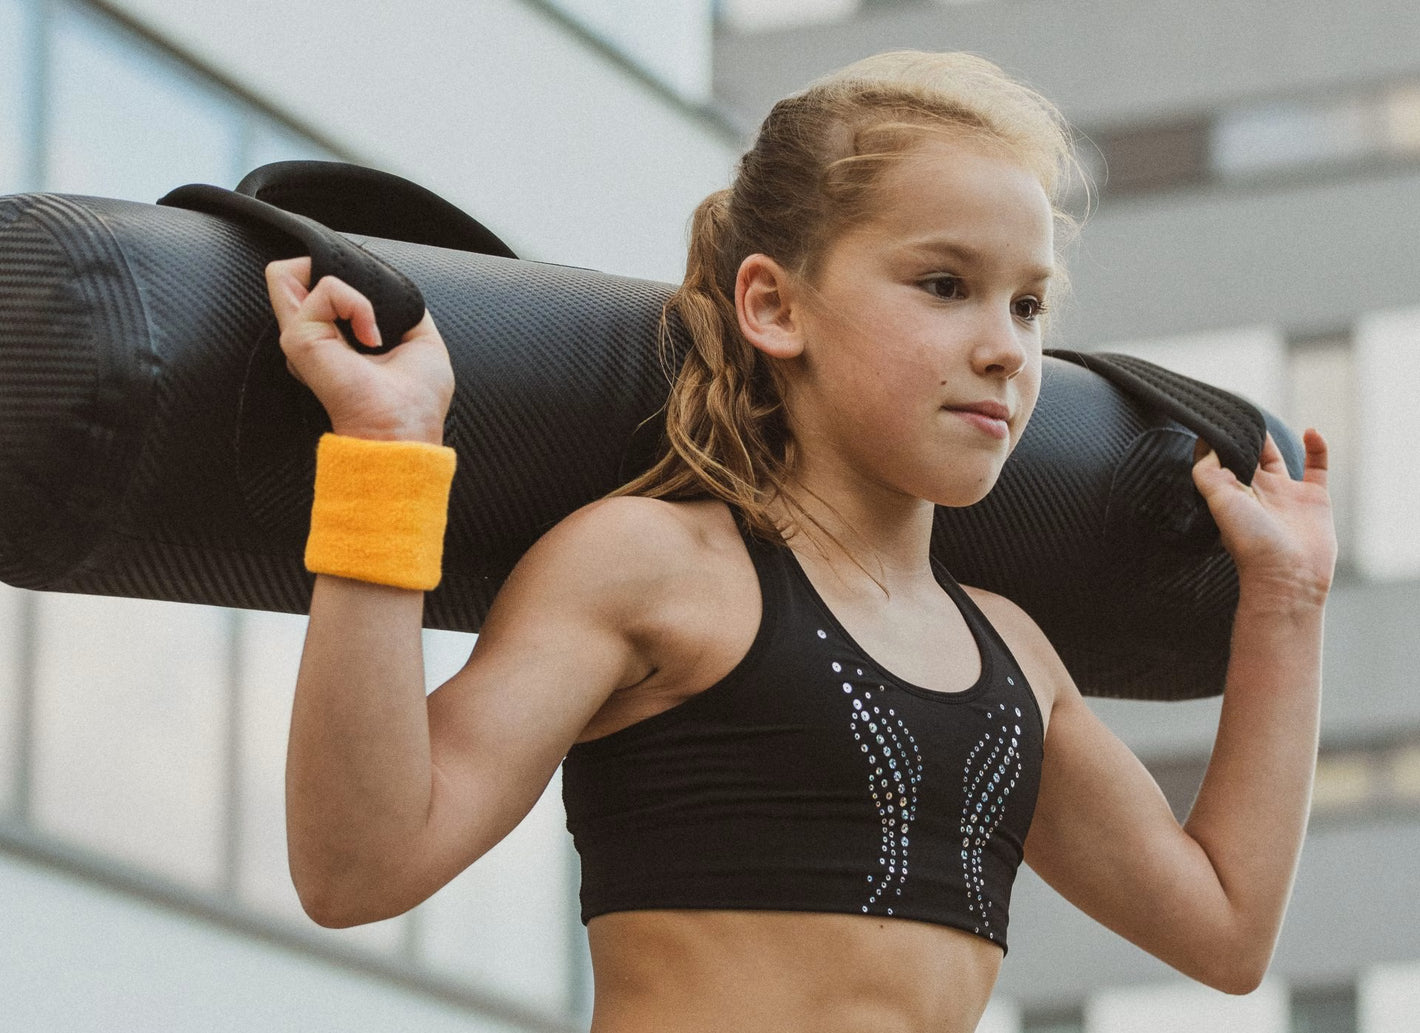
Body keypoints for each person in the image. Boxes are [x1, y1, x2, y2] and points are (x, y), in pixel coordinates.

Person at [264, 51, 1336, 1033]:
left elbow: (1225, 930)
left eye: (1026, 305)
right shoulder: (652, 567)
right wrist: (387, 454)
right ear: (774, 306)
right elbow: (358, 867)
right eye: (945, 286)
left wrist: (1286, 606)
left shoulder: (1016, 655)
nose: (1007, 349)